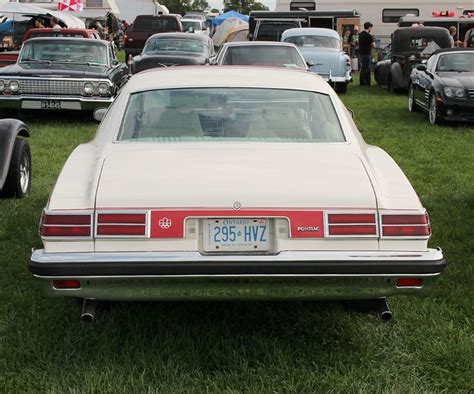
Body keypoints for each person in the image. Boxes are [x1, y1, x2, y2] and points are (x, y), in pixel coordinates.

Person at [358, 21, 375, 86]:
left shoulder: (360, 34)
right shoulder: (369, 36)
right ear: (369, 27)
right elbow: (374, 45)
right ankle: (365, 82)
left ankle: (362, 82)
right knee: (366, 68)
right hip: (367, 53)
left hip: (361, 53)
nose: (371, 29)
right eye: (371, 28)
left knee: (363, 68)